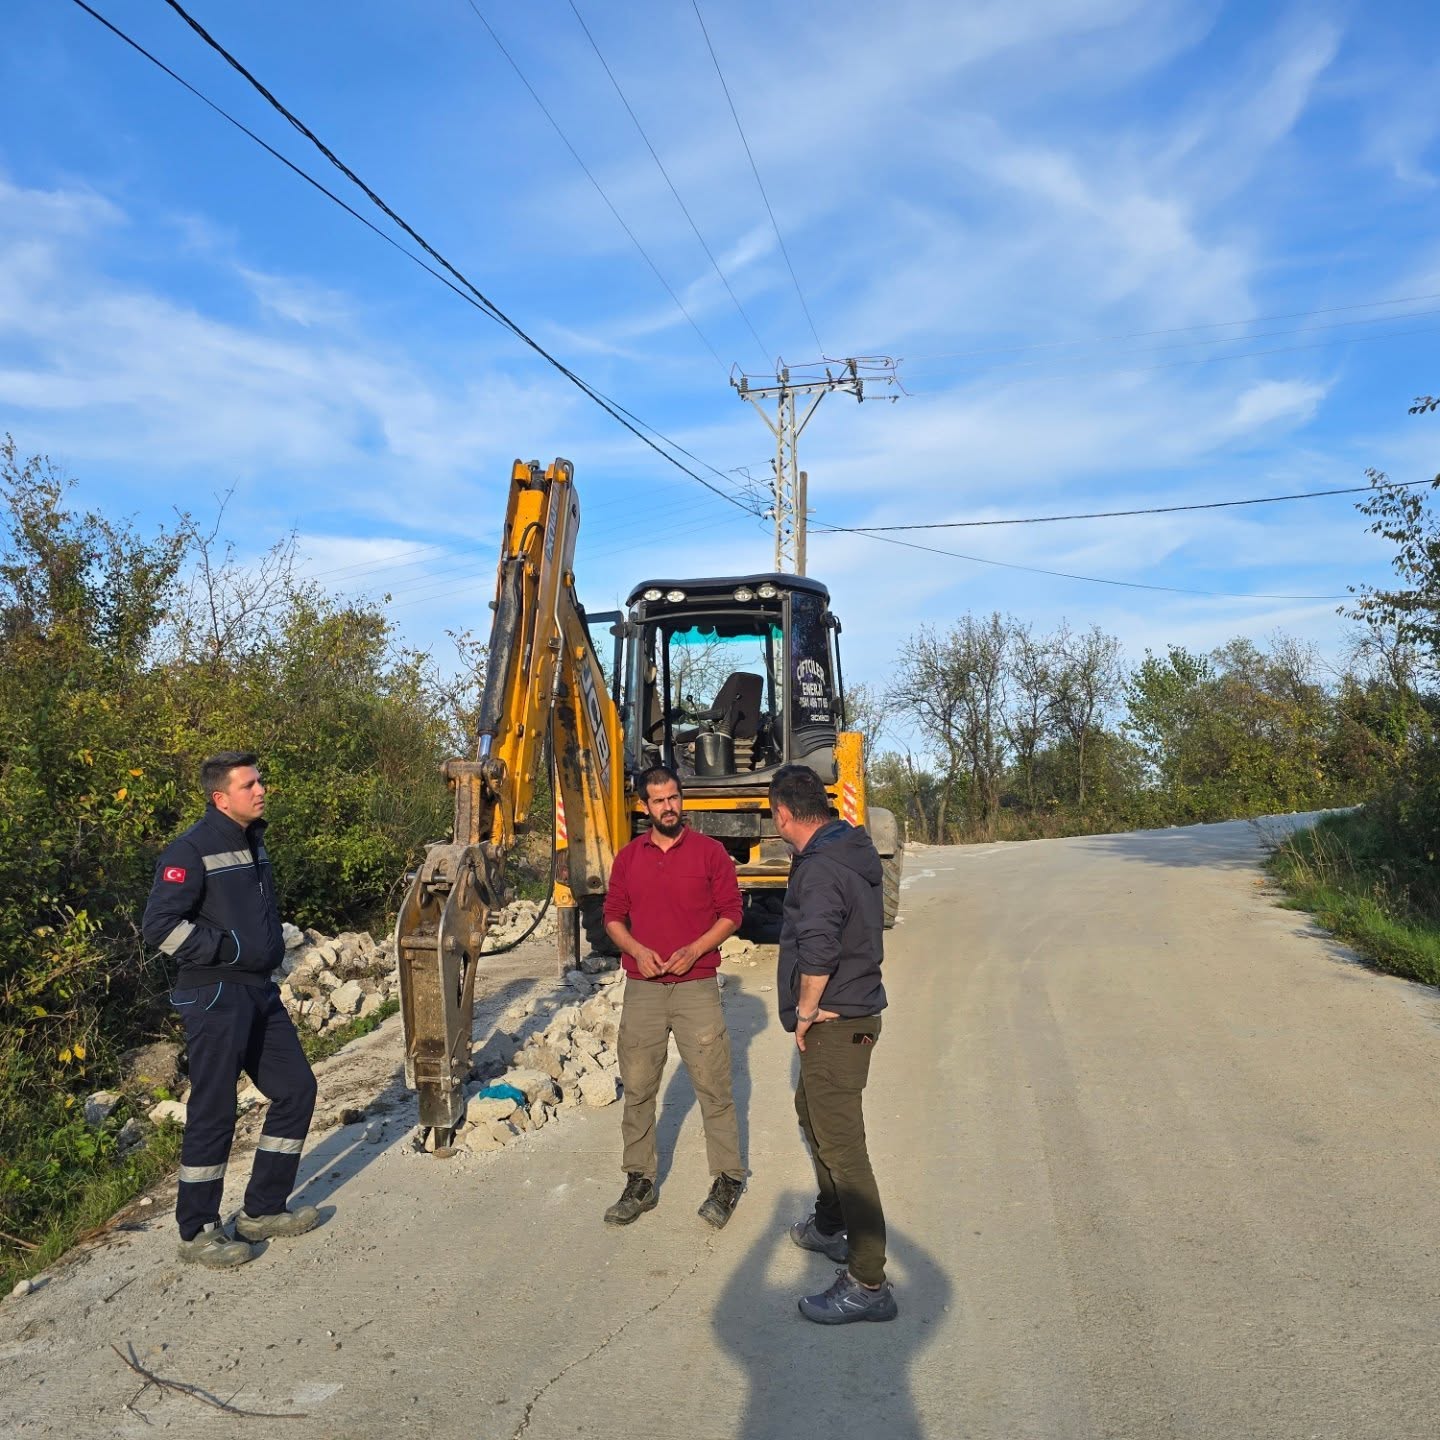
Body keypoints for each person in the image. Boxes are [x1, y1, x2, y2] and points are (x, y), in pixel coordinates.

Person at [142, 752, 320, 1270]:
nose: (261, 790)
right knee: (214, 1109)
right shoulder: (191, 848)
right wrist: (226, 950)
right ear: (221, 798)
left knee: (296, 1090)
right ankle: (197, 1231)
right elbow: (159, 927)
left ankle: (262, 1210)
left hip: (258, 991)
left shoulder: (252, 840)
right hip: (215, 994)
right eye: (249, 785)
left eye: (260, 781)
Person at [768, 763, 897, 1323]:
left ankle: (868, 1282)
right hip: (851, 1013)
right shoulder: (845, 848)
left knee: (844, 1149)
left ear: (783, 814)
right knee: (811, 1113)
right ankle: (831, 1223)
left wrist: (805, 1013)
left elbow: (818, 948)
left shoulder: (821, 868)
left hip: (837, 1024)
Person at [602, 765, 747, 1229]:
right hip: (643, 989)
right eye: (659, 800)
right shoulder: (628, 858)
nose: (668, 807)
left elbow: (732, 913)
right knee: (639, 1088)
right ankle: (639, 1181)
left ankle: (727, 1179)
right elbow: (612, 916)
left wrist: (695, 950)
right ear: (644, 806)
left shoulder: (710, 853)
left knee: (714, 1088)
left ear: (682, 799)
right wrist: (637, 951)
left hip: (696, 987)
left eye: (674, 798)